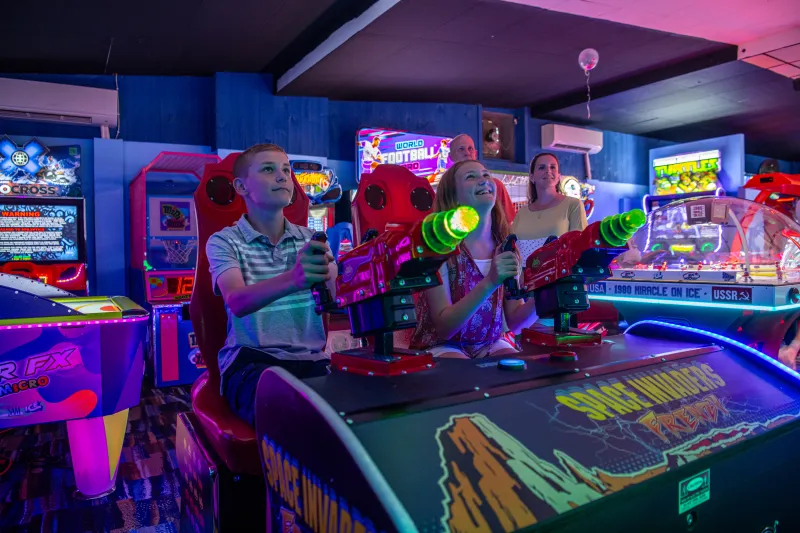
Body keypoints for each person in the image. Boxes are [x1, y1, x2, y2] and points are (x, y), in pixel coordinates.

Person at [206, 143, 336, 426]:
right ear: (241, 187)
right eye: (268, 169)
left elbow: (340, 296)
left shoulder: (311, 240)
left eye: (286, 170)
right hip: (251, 362)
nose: (282, 177)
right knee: (295, 419)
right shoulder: (224, 241)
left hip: (313, 359)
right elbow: (237, 301)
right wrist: (294, 279)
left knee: (352, 416)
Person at [409, 160, 538, 358]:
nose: (483, 180)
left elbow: (515, 323)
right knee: (465, 375)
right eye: (471, 177)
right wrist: (490, 282)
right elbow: (445, 328)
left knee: (517, 371)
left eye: (486, 175)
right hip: (440, 344)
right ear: (454, 197)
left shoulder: (506, 247)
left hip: (489, 342)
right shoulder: (438, 248)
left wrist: (547, 293)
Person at [512, 152, 588, 266]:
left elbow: (581, 248)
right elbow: (512, 251)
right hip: (523, 281)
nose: (548, 171)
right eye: (541, 167)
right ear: (532, 177)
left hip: (559, 280)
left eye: (553, 167)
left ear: (558, 177)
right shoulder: (521, 213)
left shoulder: (573, 205)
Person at [449, 134, 517, 222]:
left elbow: (510, 222)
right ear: (450, 156)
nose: (467, 153)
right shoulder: (448, 187)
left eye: (470, 149)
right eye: (461, 149)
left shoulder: (495, 185)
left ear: (475, 154)